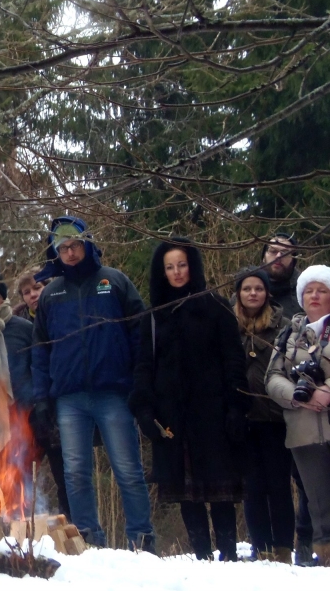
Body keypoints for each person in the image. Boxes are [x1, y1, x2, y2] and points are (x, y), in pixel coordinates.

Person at [29, 216, 154, 550]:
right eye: (63, 248)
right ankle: (88, 541)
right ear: (56, 253)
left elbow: (141, 333)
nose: (70, 253)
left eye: (75, 245)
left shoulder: (114, 282)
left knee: (128, 469)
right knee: (75, 474)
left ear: (86, 244)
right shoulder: (50, 295)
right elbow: (40, 352)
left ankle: (142, 540)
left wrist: (140, 382)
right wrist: (41, 400)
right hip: (69, 398)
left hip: (113, 392)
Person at [128, 239, 248, 561]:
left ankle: (229, 555)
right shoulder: (154, 317)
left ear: (192, 266)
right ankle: (201, 558)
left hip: (213, 413)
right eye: (169, 267)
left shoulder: (217, 307)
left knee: (220, 490)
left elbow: (233, 360)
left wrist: (237, 405)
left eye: (181, 265)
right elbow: (143, 366)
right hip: (171, 417)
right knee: (185, 492)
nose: (177, 272)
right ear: (161, 272)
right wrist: (144, 409)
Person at [0, 260, 68, 517]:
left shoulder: (24, 328)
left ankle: (24, 526)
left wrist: (38, 407)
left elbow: (37, 368)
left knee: (21, 479)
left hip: (21, 418)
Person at [265, 265, 330, 567]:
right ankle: (325, 554)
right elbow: (273, 376)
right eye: (309, 290)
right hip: (303, 428)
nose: (314, 295)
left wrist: (326, 391)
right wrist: (293, 395)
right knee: (318, 502)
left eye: (322, 290)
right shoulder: (289, 333)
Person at [234, 267, 293, 563]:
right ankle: (262, 548)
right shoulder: (229, 325)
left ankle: (284, 549)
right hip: (244, 419)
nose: (253, 293)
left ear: (267, 292)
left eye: (258, 288)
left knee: (279, 486)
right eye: (247, 289)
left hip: (276, 418)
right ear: (239, 293)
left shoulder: (284, 326)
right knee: (253, 488)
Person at [262, 233, 302, 318]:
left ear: (293, 260)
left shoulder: (304, 292)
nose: (278, 256)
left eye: (285, 253)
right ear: (263, 257)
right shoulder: (246, 289)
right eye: (273, 251)